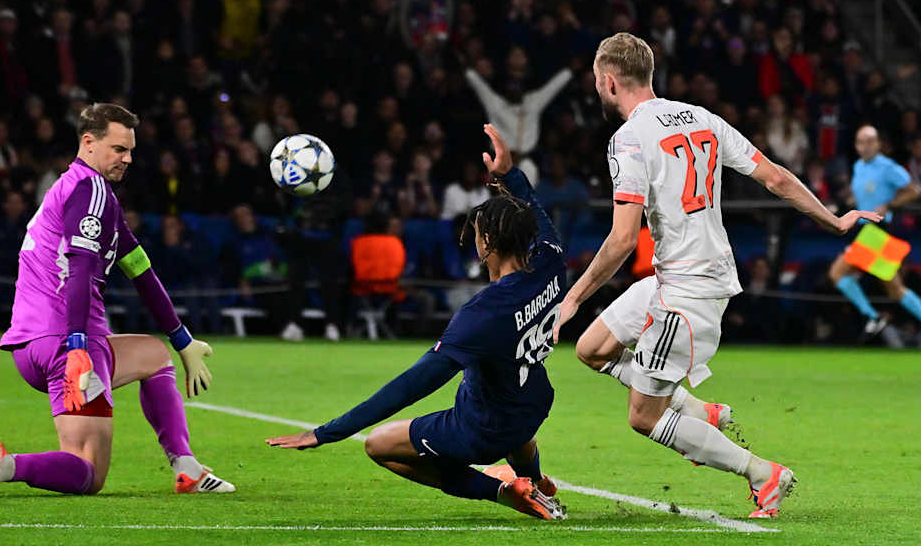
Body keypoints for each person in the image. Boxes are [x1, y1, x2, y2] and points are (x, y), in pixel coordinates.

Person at [552, 33, 881, 519]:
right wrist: (832, 221)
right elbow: (775, 177)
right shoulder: (700, 117)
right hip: (683, 276)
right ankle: (699, 411)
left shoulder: (628, 138)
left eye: (598, 86)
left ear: (608, 81)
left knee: (644, 417)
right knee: (592, 348)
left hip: (687, 292)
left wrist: (574, 296)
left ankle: (763, 475)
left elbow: (623, 240)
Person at [266, 125, 566, 521]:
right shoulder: (551, 260)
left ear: (488, 243)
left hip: (483, 429)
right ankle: (535, 481)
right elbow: (535, 210)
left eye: (475, 234)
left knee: (378, 444)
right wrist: (508, 175)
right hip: (533, 405)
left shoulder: (483, 313)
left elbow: (412, 385)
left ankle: (504, 492)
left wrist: (327, 432)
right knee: (514, 411)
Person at [0, 103, 234, 498]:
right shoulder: (91, 190)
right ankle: (2, 464)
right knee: (88, 474)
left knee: (154, 355)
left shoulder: (87, 195)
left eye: (130, 150)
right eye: (118, 149)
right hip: (68, 343)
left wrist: (183, 340)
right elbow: (79, 267)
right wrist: (78, 345)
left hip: (34, 342)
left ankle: (187, 468)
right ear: (88, 142)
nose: (127, 158)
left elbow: (141, 271)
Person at [828, 125, 921, 337]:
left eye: (870, 141)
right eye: (861, 142)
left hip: (877, 231)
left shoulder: (888, 167)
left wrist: (889, 205)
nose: (865, 146)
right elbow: (861, 197)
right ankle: (872, 316)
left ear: (878, 144)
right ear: (856, 145)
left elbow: (914, 190)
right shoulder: (859, 166)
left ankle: (872, 316)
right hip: (867, 231)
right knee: (895, 289)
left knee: (837, 272)